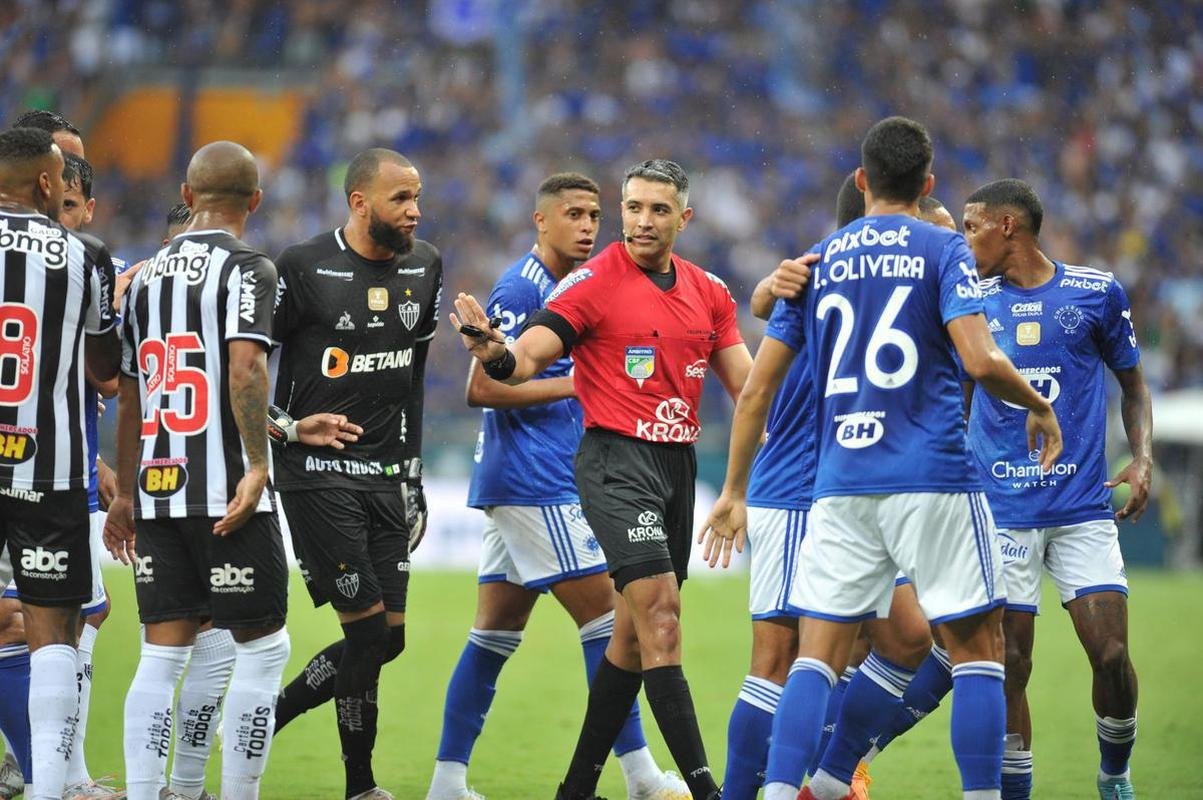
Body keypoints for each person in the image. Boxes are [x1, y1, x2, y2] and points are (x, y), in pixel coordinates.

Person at [703, 117, 1063, 800]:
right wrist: (1037, 404)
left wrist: (731, 488)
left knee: (818, 655)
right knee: (977, 651)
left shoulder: (819, 260)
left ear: (862, 179)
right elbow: (980, 359)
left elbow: (755, 389)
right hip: (930, 472)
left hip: (840, 482)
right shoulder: (943, 249)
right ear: (927, 183)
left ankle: (805, 787)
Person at [450, 158, 752, 800]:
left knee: (630, 640)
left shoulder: (710, 291)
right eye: (633, 208)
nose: (642, 221)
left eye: (658, 210)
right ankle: (707, 790)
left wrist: (738, 488)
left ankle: (577, 788)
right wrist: (496, 353)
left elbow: (749, 392)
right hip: (613, 462)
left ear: (684, 218)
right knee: (660, 618)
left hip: (676, 466)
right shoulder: (590, 282)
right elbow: (524, 358)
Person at [720, 178, 956, 800]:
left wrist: (766, 290)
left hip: (850, 487)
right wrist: (733, 491)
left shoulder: (861, 281)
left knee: (906, 638)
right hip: (800, 485)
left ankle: (829, 776)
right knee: (779, 659)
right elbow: (759, 373)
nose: (944, 246)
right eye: (937, 230)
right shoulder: (834, 276)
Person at [103, 140, 291, 800]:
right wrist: (258, 465)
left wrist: (126, 494)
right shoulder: (249, 268)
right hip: (224, 490)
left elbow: (129, 393)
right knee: (264, 650)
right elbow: (246, 367)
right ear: (255, 202)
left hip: (157, 490)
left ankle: (149, 790)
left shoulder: (143, 278)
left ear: (187, 197)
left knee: (161, 655)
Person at [960, 180, 1150, 800]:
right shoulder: (969, 300)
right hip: (1002, 509)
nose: (965, 240)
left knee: (1112, 654)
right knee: (1011, 665)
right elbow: (959, 398)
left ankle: (1114, 775)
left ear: (1008, 226)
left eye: (972, 227)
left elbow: (1134, 386)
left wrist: (1142, 458)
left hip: (1081, 507)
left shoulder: (1096, 292)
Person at [269, 147, 441, 800]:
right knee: (366, 632)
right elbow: (244, 366)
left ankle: (266, 718)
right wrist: (286, 431)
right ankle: (361, 787)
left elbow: (413, 376)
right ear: (359, 202)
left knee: (387, 641)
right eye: (401, 198)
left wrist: (413, 472)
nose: (415, 210)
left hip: (386, 473)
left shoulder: (425, 266)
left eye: (417, 197)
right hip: (315, 472)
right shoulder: (302, 266)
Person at [0, 127, 119, 800]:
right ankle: (54, 788)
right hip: (46, 468)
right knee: (53, 633)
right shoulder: (85, 255)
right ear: (47, 183)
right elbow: (106, 370)